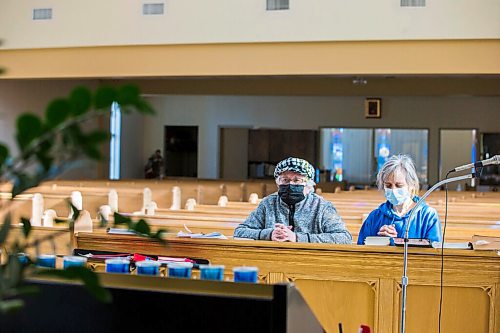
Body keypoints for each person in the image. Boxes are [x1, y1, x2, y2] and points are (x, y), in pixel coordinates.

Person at [233, 157, 352, 243]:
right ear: (277, 183)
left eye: (297, 180)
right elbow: (240, 231)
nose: (290, 184)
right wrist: (269, 234)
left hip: (311, 262)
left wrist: (296, 238)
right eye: (285, 180)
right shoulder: (268, 203)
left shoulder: (322, 207)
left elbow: (344, 237)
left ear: (310, 186)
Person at [357, 154, 441, 245]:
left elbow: (435, 253)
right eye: (388, 185)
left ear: (411, 185)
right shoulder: (375, 217)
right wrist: (381, 242)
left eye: (399, 185)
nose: (393, 190)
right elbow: (362, 250)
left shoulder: (428, 216)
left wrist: (396, 243)